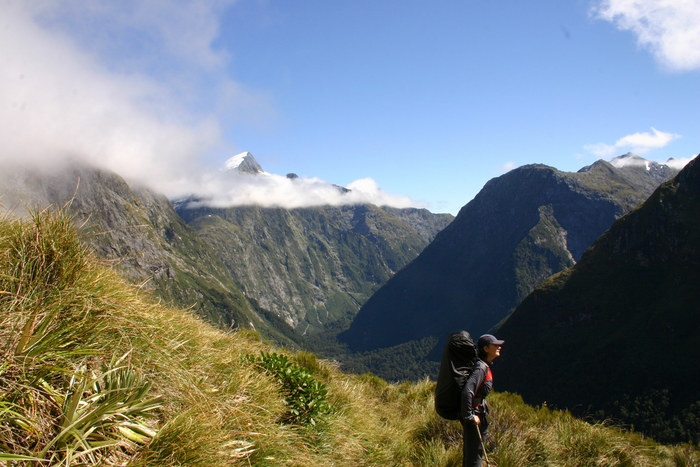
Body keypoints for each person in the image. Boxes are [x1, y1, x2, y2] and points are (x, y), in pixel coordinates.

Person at [460, 334, 504, 466]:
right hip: (475, 416)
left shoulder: (483, 365)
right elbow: (467, 392)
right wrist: (469, 416)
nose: (499, 347)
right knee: (475, 455)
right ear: (486, 348)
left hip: (477, 413)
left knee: (472, 454)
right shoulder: (481, 368)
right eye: (495, 345)